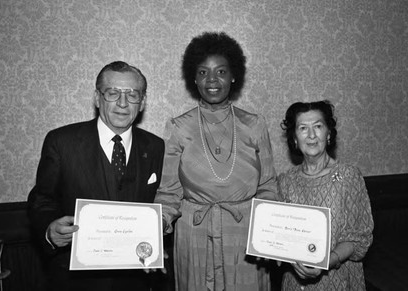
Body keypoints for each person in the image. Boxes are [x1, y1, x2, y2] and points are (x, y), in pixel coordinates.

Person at [154, 31, 278, 291]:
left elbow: (268, 187)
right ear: (194, 79)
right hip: (194, 234)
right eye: (202, 72)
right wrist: (154, 230)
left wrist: (269, 235)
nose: (212, 80)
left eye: (220, 72)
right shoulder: (178, 127)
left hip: (244, 236)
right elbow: (168, 193)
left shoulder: (254, 124)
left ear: (233, 76)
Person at [27, 61, 165, 291]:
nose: (122, 103)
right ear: (97, 98)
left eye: (132, 95)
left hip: (136, 280)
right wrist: (49, 229)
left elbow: (160, 205)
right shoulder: (61, 142)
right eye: (112, 93)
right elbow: (41, 200)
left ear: (142, 102)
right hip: (74, 281)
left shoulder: (156, 146)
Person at [277, 100, 374, 290]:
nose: (311, 135)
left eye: (318, 126)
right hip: (295, 283)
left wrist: (326, 262)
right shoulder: (285, 181)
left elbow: (359, 238)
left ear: (328, 134)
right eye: (303, 128)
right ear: (295, 138)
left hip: (338, 280)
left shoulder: (348, 177)